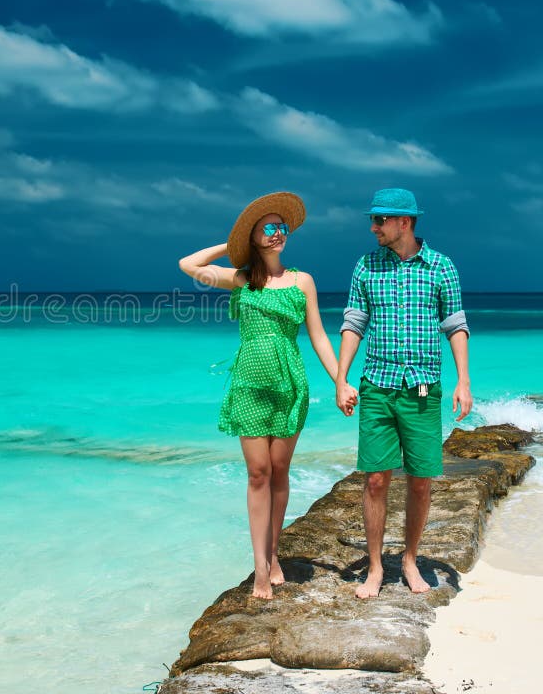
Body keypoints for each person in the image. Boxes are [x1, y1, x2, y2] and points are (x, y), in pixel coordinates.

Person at [179, 192, 358, 600]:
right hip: (249, 385)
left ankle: (274, 554)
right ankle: (260, 566)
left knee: (279, 470)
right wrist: (235, 242)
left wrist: (341, 381)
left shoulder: (302, 281)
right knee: (257, 472)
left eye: (282, 228)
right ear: (255, 237)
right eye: (269, 228)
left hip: (290, 383)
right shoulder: (241, 278)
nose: (278, 234)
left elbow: (318, 337)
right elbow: (189, 265)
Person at [335, 188, 472, 599]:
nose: (373, 227)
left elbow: (455, 324)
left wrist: (464, 381)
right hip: (376, 385)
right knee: (376, 479)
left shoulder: (441, 266)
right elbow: (353, 323)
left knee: (420, 481)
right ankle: (376, 567)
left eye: (380, 220)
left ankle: (410, 559)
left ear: (404, 223)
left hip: (422, 389)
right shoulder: (366, 266)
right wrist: (342, 379)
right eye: (372, 220)